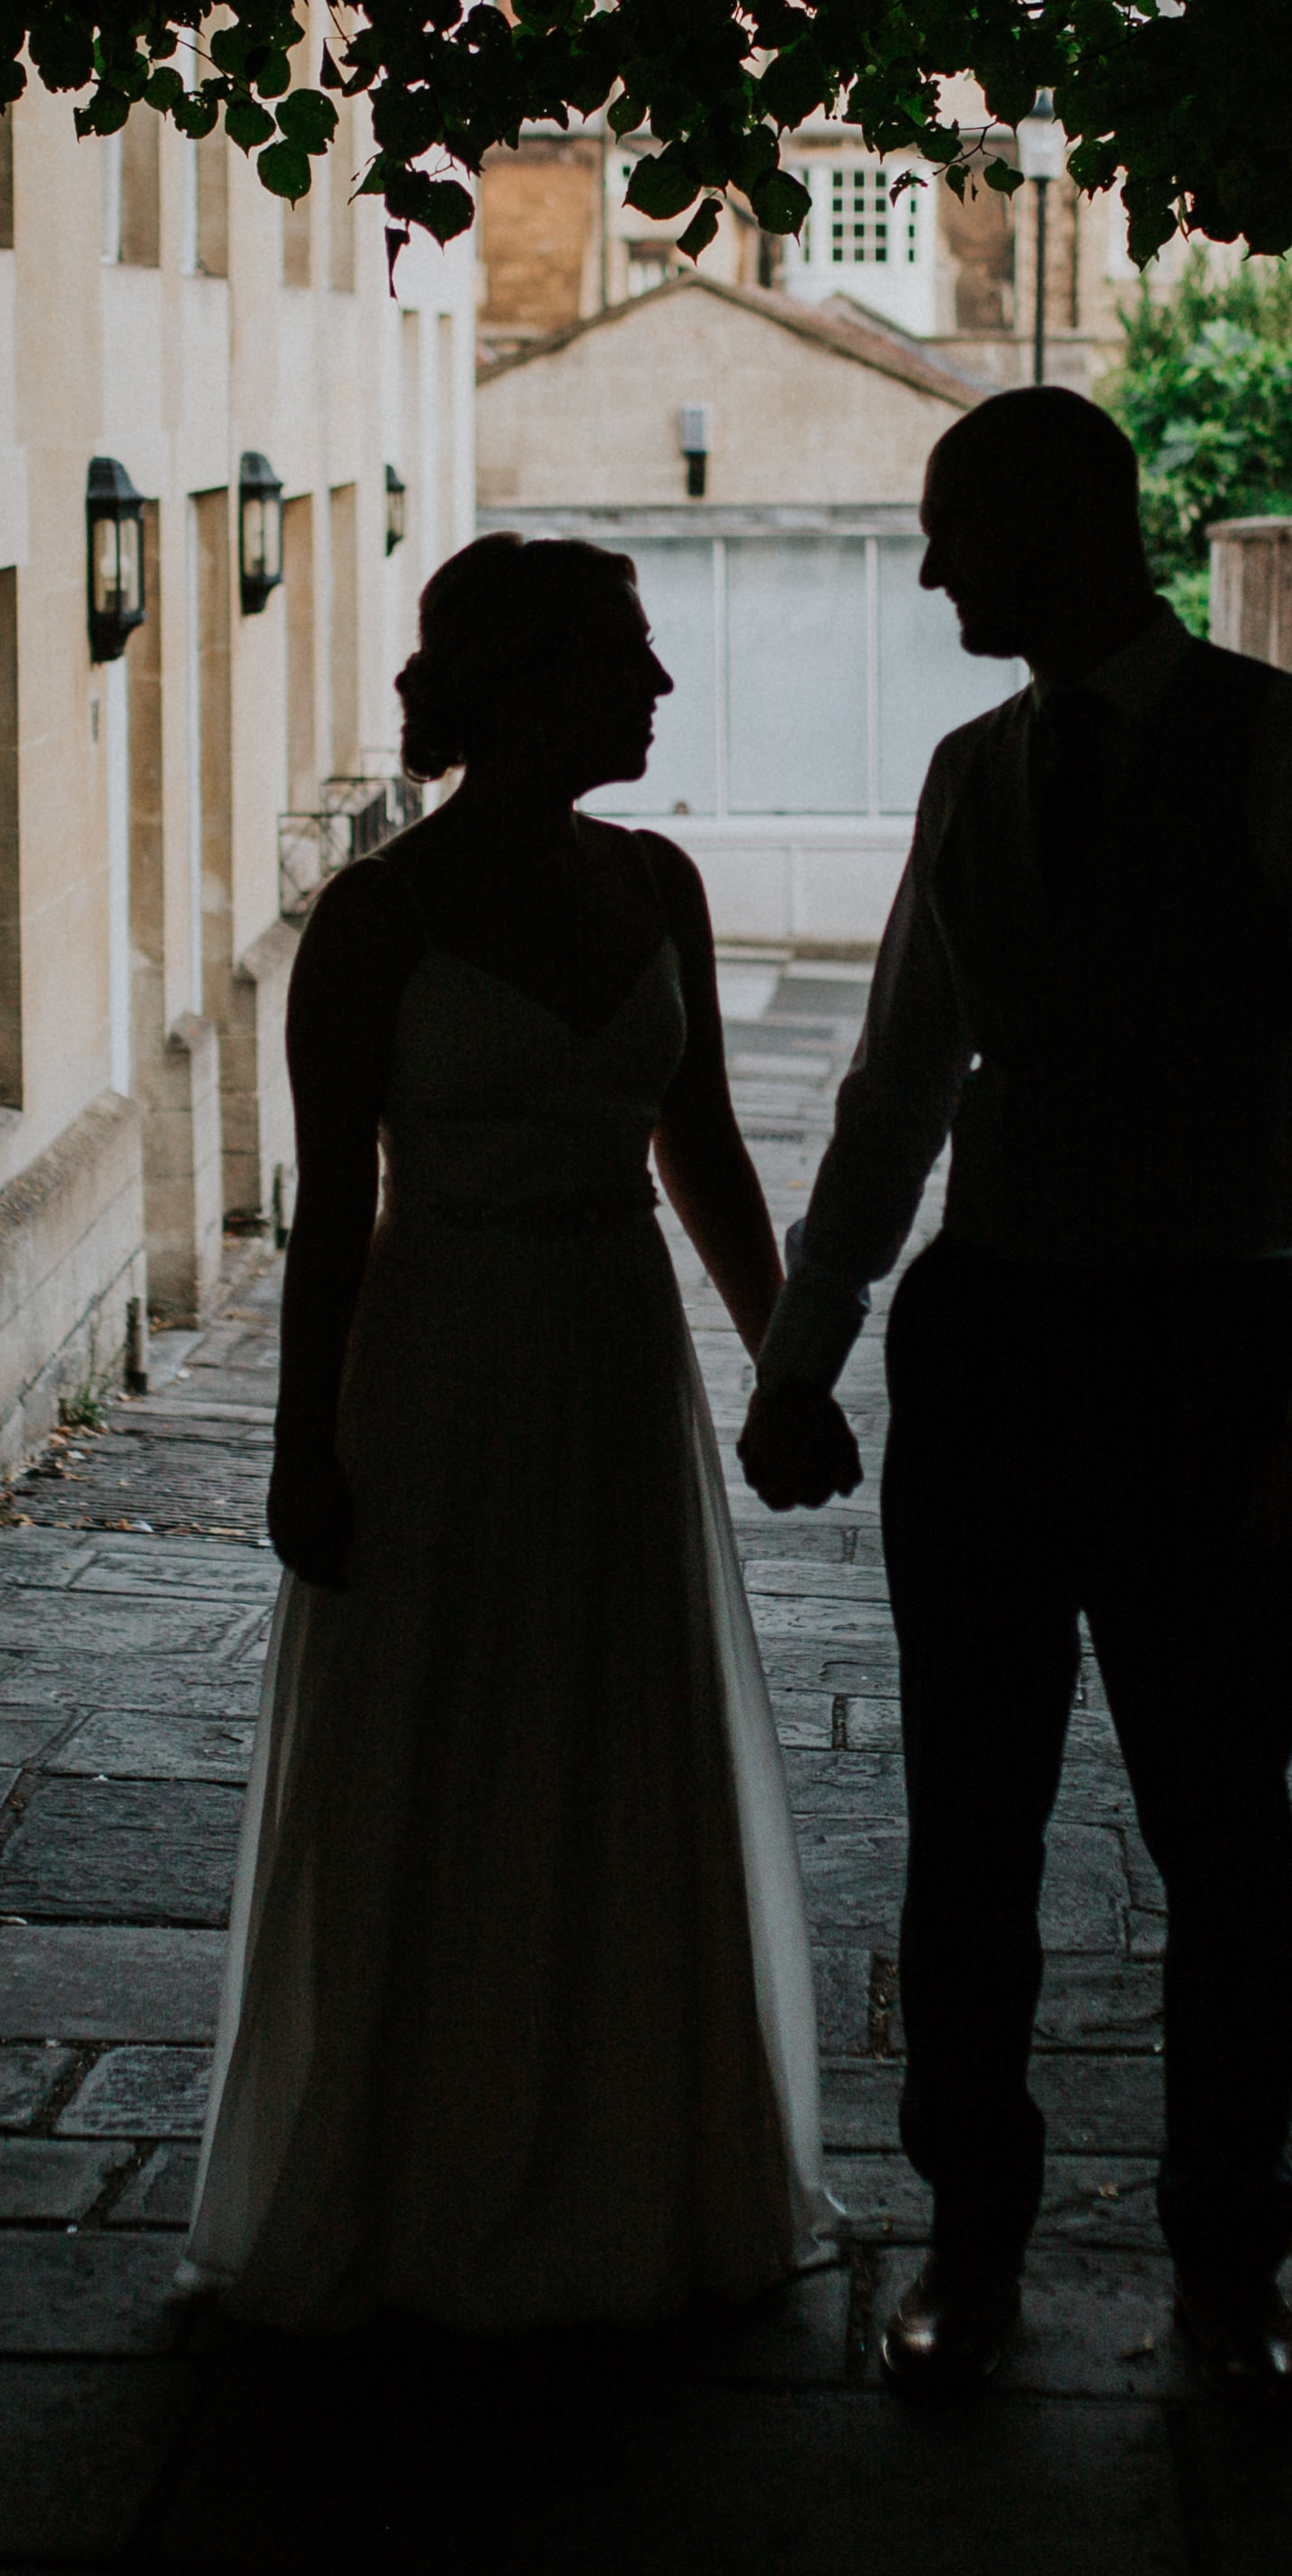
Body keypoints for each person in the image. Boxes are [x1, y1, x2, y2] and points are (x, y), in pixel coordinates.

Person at [736, 387, 1292, 2415]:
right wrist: (801, 1350)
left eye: (956, 530)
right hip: (991, 1346)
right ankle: (974, 2235)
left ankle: (1230, 2257)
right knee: (970, 1821)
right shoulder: (969, 773)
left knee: (1223, 1832)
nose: (934, 569)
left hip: (1208, 1348)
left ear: (1061, 527)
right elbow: (894, 1093)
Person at [186, 532, 834, 2328]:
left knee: (620, 1733)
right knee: (437, 1744)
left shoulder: (660, 883)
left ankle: (629, 2156)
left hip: (619, 1362)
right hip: (442, 1354)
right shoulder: (377, 917)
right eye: (626, 656)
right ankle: (417, 2161)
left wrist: (780, 1364)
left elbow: (700, 1143)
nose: (659, 687)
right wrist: (301, 1445)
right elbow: (327, 1210)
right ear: (528, 681)